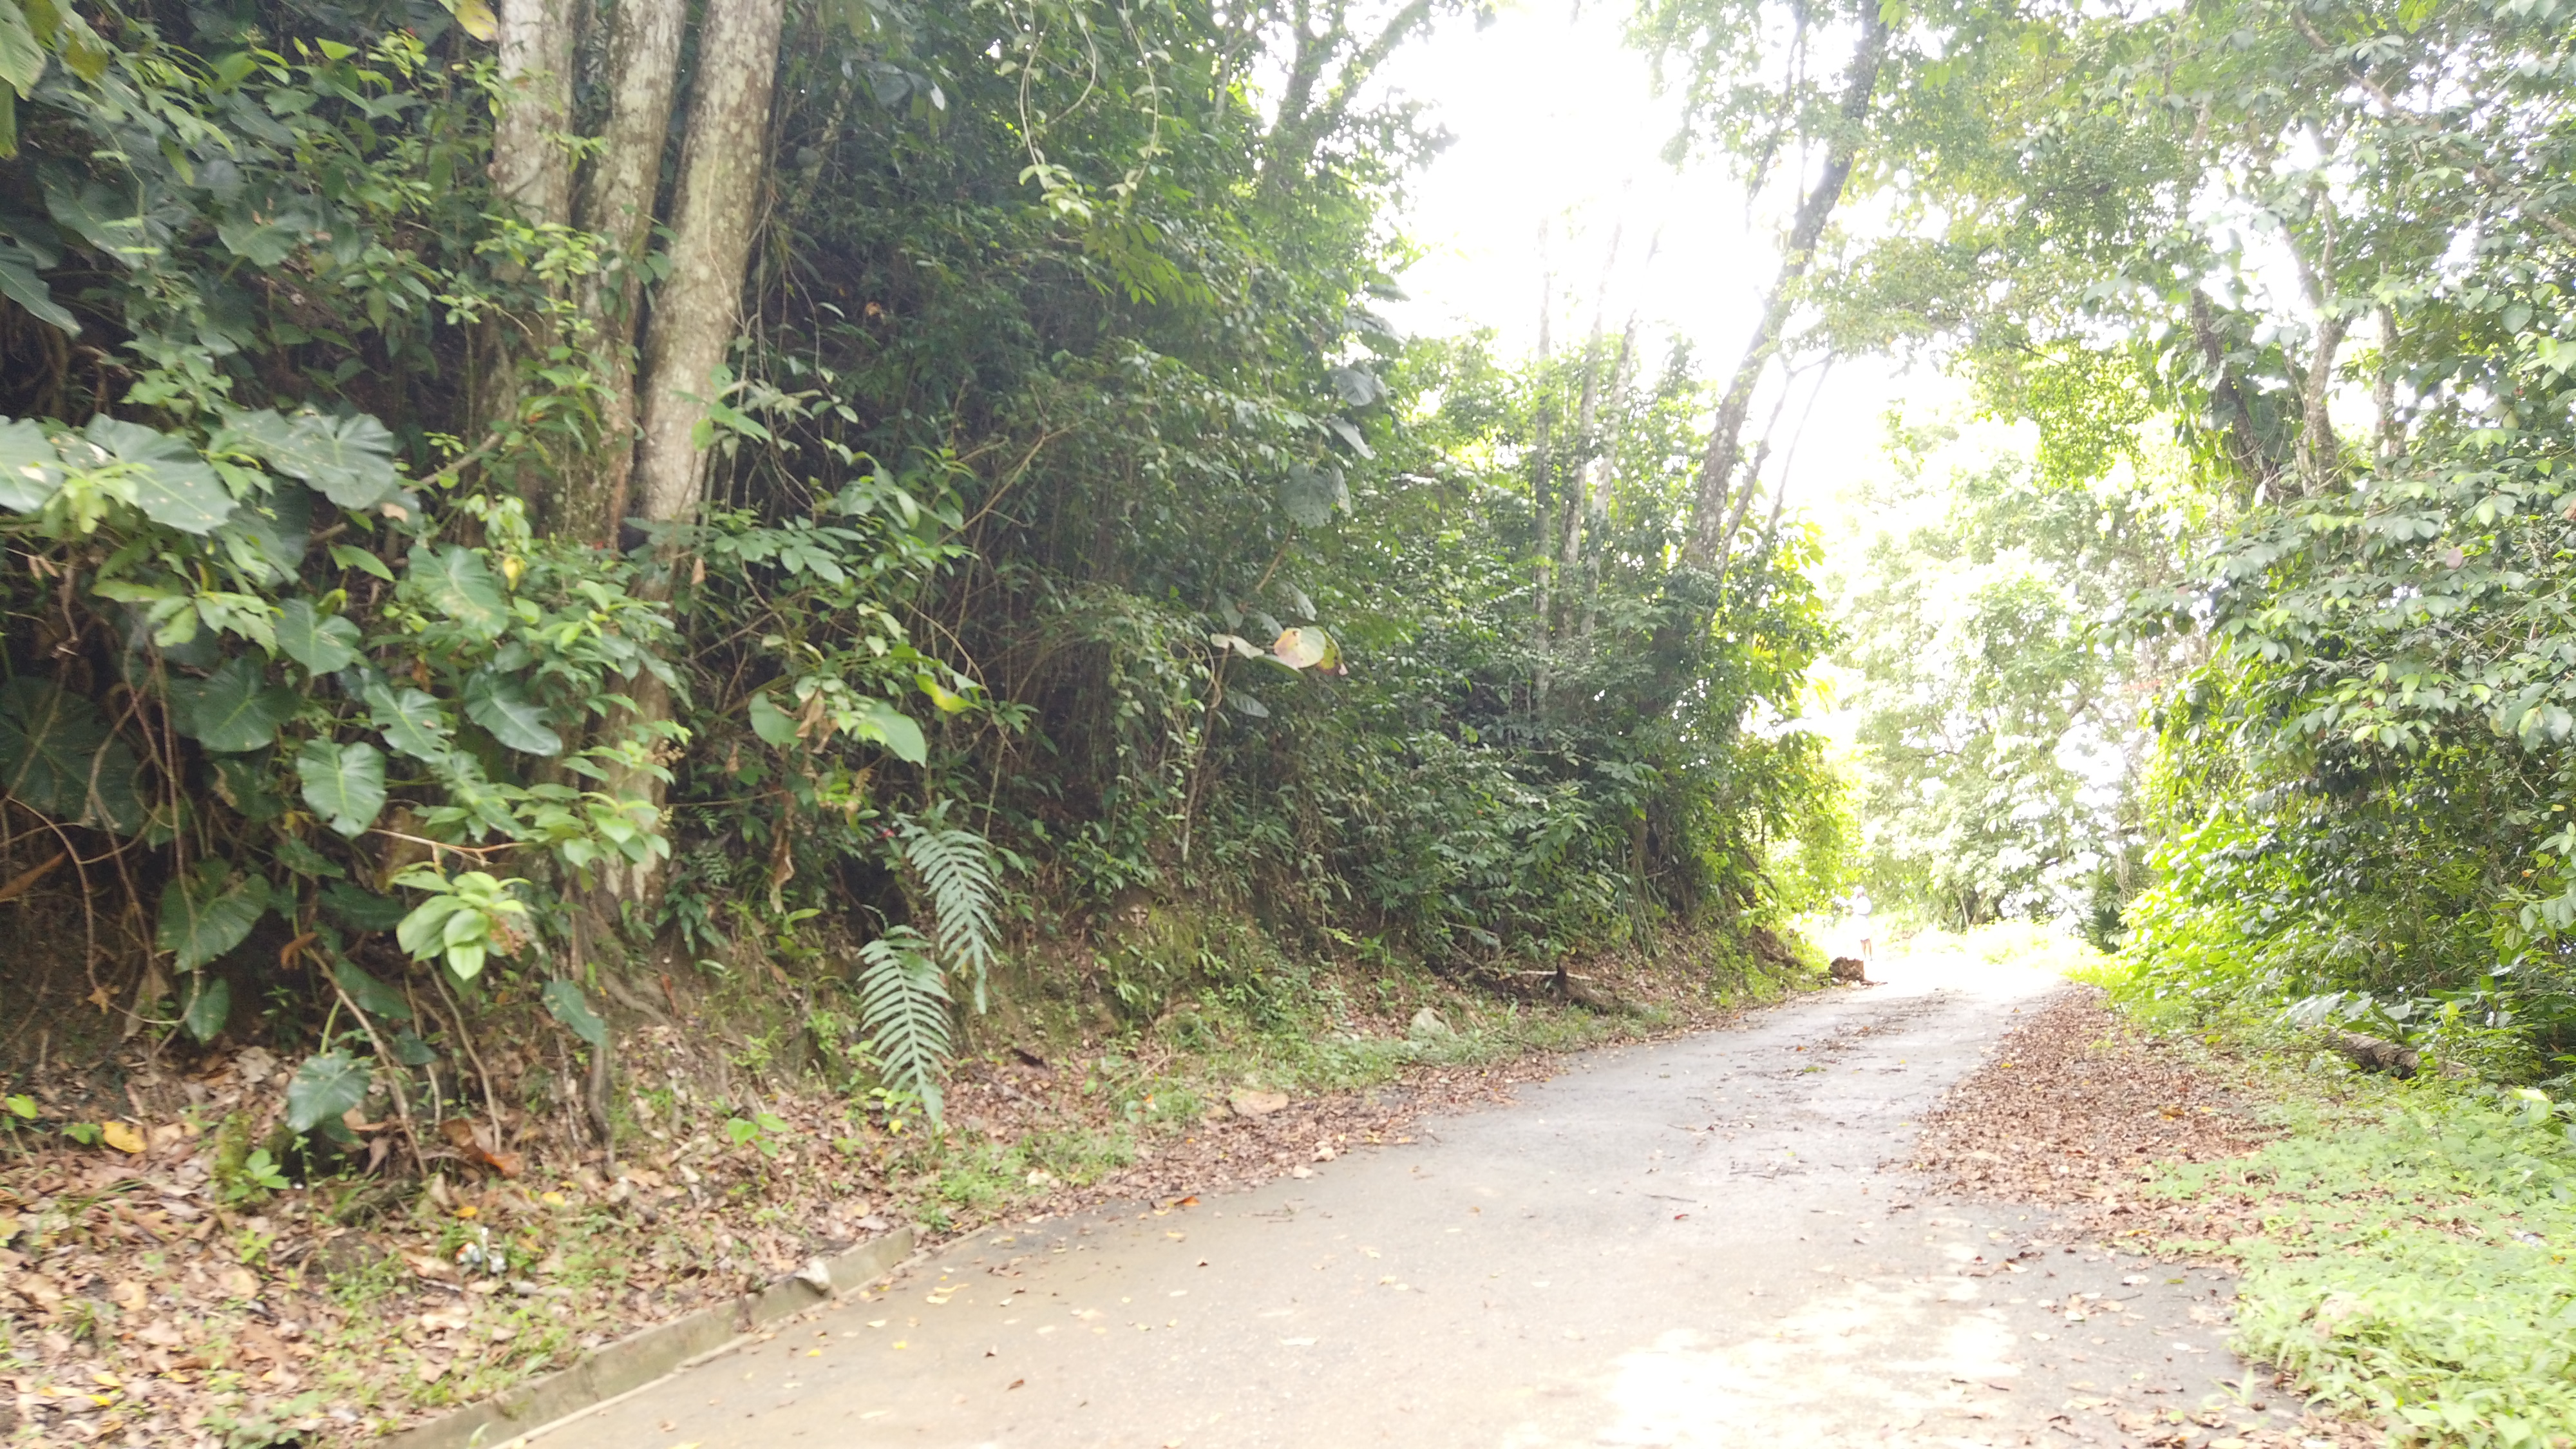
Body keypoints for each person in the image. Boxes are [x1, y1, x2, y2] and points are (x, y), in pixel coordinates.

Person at [1851, 888, 1873, 962]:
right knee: (1861, 940)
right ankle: (1864, 956)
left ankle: (1870, 956)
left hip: (1864, 921)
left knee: (1867, 939)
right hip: (1858, 921)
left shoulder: (1866, 900)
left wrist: (1857, 911)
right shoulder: (1857, 901)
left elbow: (1868, 911)